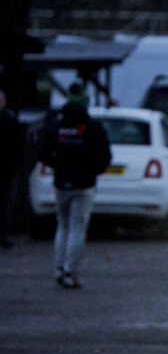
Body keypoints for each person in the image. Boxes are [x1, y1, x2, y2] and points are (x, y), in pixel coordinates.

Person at [39, 82, 111, 288]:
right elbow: (104, 156)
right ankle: (70, 271)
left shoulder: (56, 126)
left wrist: (58, 166)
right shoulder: (93, 128)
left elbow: (43, 153)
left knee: (62, 226)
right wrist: (92, 171)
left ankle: (60, 267)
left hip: (61, 183)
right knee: (77, 229)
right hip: (84, 185)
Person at [0, 87, 24, 249]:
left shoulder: (10, 122)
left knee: (4, 205)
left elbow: (17, 148)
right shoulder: (11, 121)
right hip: (6, 172)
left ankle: (3, 236)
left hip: (5, 173)